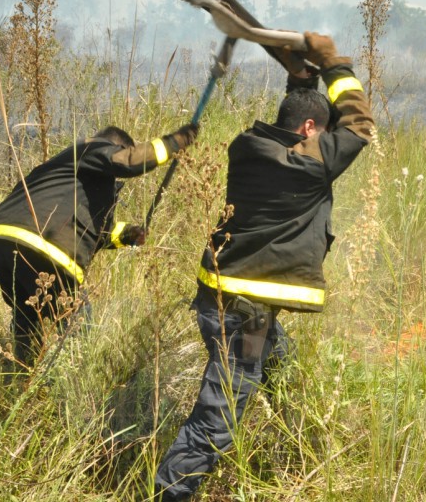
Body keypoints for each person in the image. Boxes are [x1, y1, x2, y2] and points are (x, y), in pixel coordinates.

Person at [155, 32, 374, 501]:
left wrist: (299, 82)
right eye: (322, 130)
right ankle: (167, 493)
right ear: (312, 131)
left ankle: (296, 450)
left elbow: (297, 122)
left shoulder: (247, 147)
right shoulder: (310, 166)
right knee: (217, 420)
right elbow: (358, 125)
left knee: (282, 368)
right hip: (246, 313)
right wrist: (333, 63)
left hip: (221, 301)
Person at [0, 123, 198, 365]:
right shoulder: (93, 148)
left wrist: (129, 234)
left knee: (26, 315)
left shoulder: (68, 174)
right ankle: (70, 384)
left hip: (0, 241)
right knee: (78, 320)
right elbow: (129, 161)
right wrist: (176, 141)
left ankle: (23, 379)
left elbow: (100, 234)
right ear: (115, 145)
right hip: (42, 242)